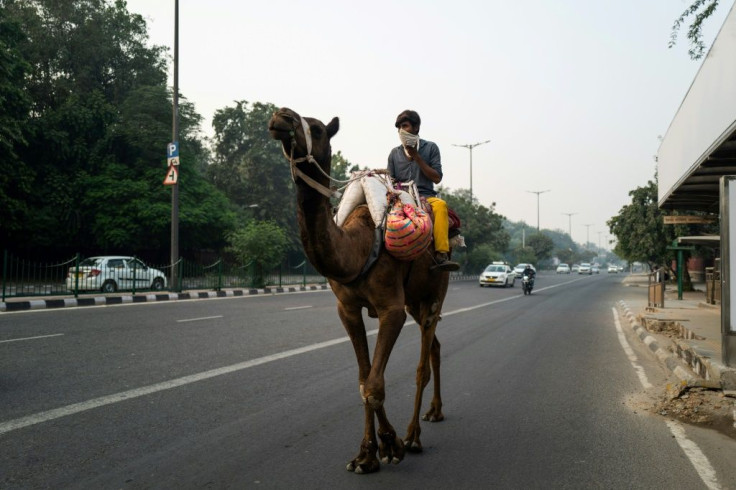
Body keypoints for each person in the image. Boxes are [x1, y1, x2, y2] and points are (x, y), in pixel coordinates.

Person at [387, 110, 459, 272]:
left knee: (441, 206)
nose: (401, 131)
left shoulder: (431, 148)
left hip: (426, 196)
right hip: (401, 198)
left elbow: (437, 178)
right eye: (399, 128)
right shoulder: (394, 153)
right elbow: (390, 181)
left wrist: (417, 157)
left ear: (416, 128)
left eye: (405, 126)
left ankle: (441, 254)